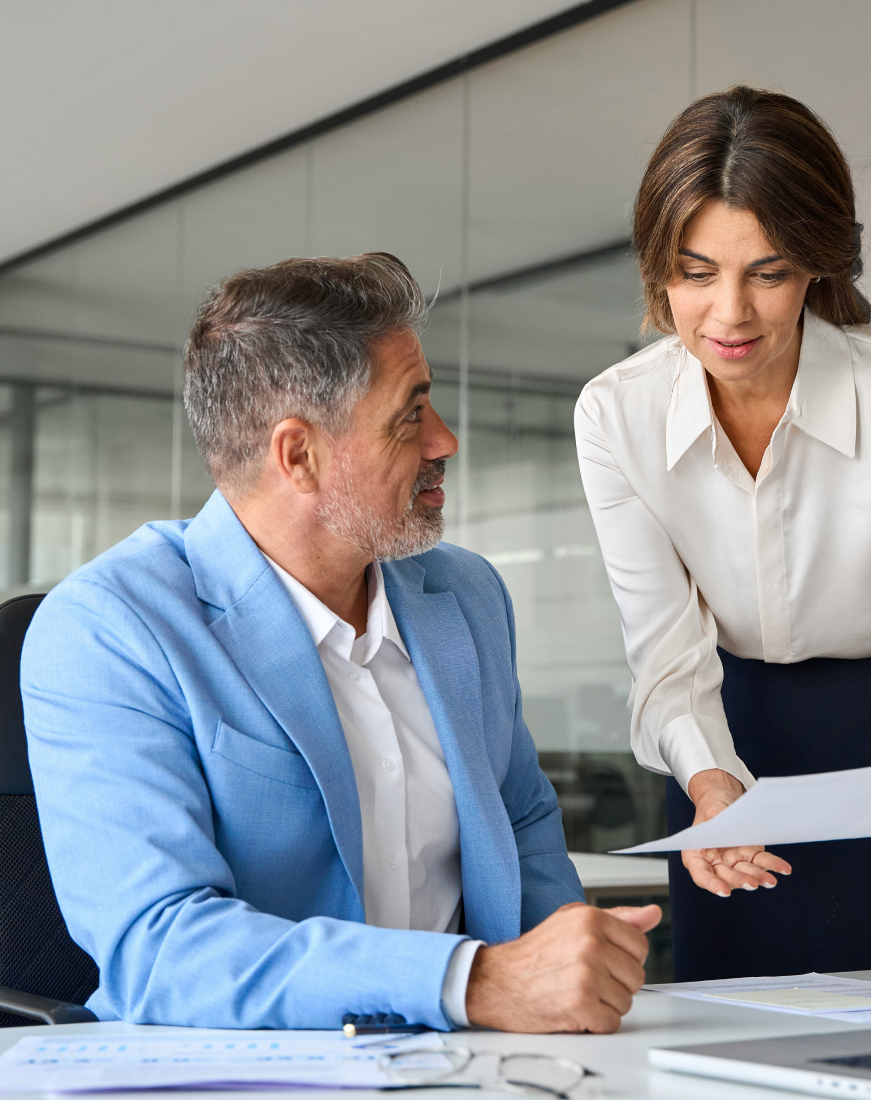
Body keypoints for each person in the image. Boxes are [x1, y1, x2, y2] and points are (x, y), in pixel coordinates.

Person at [22, 254, 660, 1032]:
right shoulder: (110, 627)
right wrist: (470, 981)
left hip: (483, 1073)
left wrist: (571, 977)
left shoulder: (465, 595)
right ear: (298, 455)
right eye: (410, 414)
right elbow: (160, 946)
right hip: (235, 1094)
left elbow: (521, 817)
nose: (445, 440)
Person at [575, 87, 871, 982]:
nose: (729, 314)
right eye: (695, 272)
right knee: (730, 1032)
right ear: (656, 269)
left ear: (820, 266)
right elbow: (667, 657)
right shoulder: (614, 415)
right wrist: (710, 781)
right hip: (723, 740)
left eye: (770, 271)